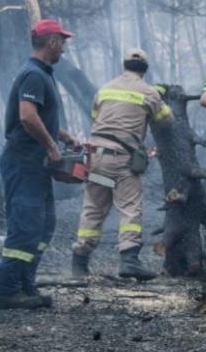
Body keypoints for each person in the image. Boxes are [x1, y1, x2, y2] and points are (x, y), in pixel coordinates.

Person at [0, 19, 79, 309]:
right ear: (52, 41)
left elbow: (41, 116)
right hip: (23, 163)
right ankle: (6, 290)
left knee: (44, 226)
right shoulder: (33, 75)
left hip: (35, 165)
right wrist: (52, 147)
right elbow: (28, 116)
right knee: (26, 226)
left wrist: (65, 136)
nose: (64, 47)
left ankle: (25, 283)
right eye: (62, 42)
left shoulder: (43, 74)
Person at [70, 48, 172, 280]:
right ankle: (129, 261)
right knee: (130, 207)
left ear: (124, 65)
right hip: (122, 160)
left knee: (94, 207)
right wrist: (159, 96)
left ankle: (79, 262)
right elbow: (167, 120)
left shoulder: (105, 89)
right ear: (145, 69)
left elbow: (96, 115)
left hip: (95, 156)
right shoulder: (148, 92)